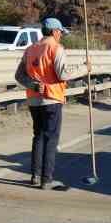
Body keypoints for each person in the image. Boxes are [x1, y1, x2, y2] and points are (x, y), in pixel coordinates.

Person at [14, 18, 79, 190]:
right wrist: (83, 68)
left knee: (38, 136)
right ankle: (46, 178)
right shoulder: (56, 48)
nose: (61, 36)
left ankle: (35, 176)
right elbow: (63, 74)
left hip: (34, 100)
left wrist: (34, 85)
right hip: (52, 98)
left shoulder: (30, 49)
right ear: (55, 31)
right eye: (60, 33)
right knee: (51, 139)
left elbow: (19, 76)